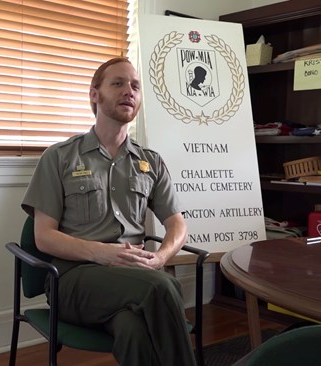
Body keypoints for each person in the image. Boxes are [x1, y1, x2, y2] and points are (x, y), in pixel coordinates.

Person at [21, 57, 196, 366]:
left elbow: (177, 225)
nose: (128, 90)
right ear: (94, 95)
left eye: (135, 86)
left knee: (133, 329)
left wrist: (161, 257)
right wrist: (102, 253)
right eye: (117, 83)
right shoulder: (59, 157)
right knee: (163, 286)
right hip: (73, 280)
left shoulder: (151, 162)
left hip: (133, 279)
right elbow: (43, 238)